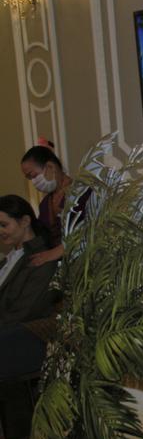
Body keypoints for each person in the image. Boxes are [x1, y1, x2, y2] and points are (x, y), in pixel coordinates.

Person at [0, 195, 57, 379]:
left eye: (3, 225)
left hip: (21, 339)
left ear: (25, 221)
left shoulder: (42, 260)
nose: (0, 231)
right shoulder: (10, 258)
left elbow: (25, 312)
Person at [19, 139, 89, 267]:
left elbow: (92, 231)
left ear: (50, 167)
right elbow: (43, 237)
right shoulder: (45, 204)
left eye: (33, 176)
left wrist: (56, 252)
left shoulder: (82, 193)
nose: (33, 182)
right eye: (29, 178)